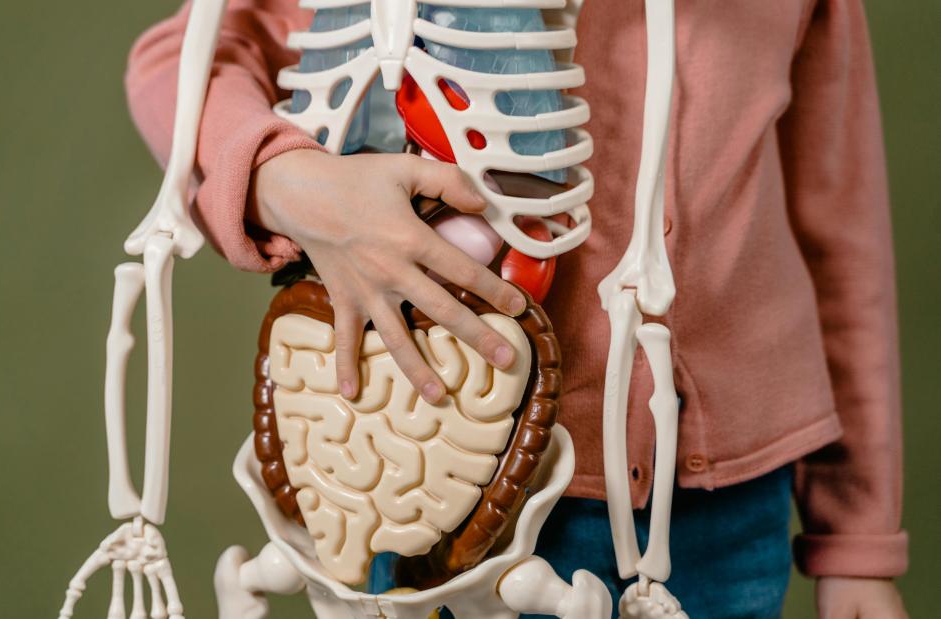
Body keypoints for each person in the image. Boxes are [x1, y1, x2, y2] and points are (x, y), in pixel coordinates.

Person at [124, 1, 908, 616]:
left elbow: (841, 233)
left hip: (730, 506)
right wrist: (279, 177)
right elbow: (176, 62)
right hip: (446, 487)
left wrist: (861, 535)